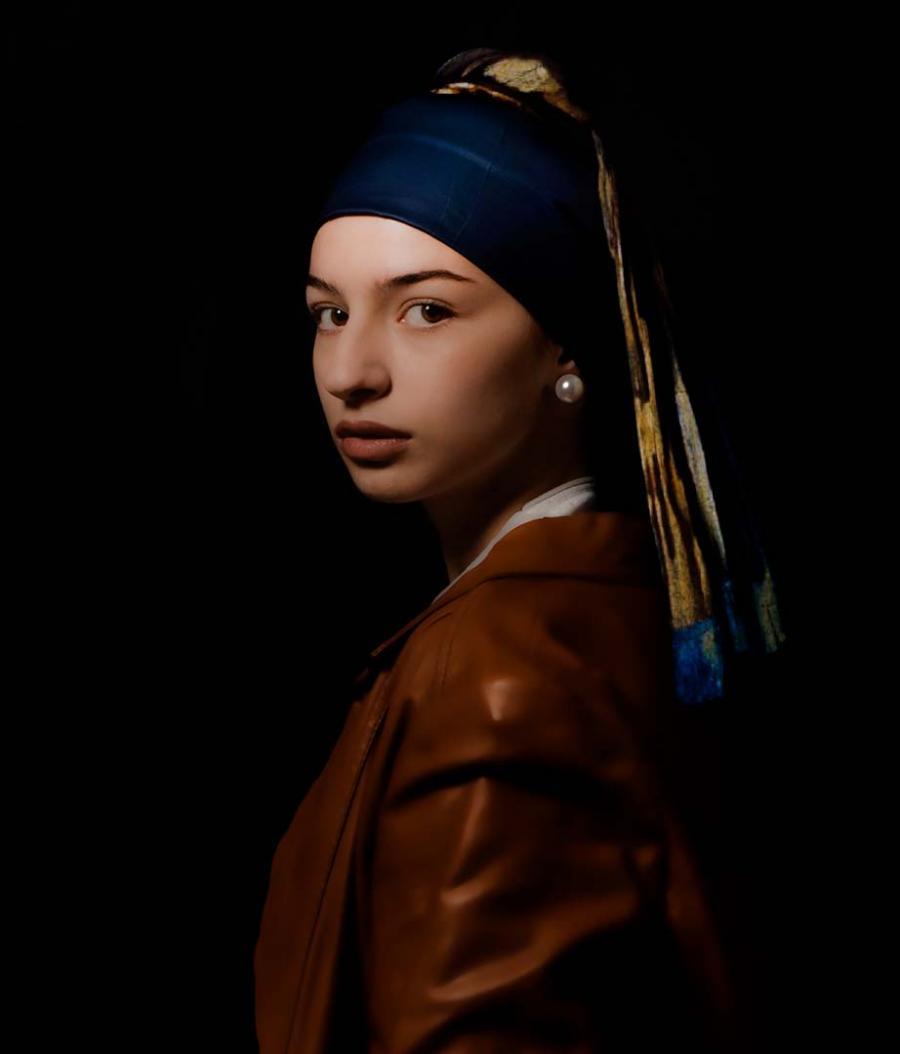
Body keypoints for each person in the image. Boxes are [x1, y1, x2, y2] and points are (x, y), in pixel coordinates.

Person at [254, 47, 784, 1053]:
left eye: (427, 310)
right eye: (329, 313)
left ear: (565, 347)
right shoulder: (609, 603)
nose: (352, 371)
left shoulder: (499, 673)